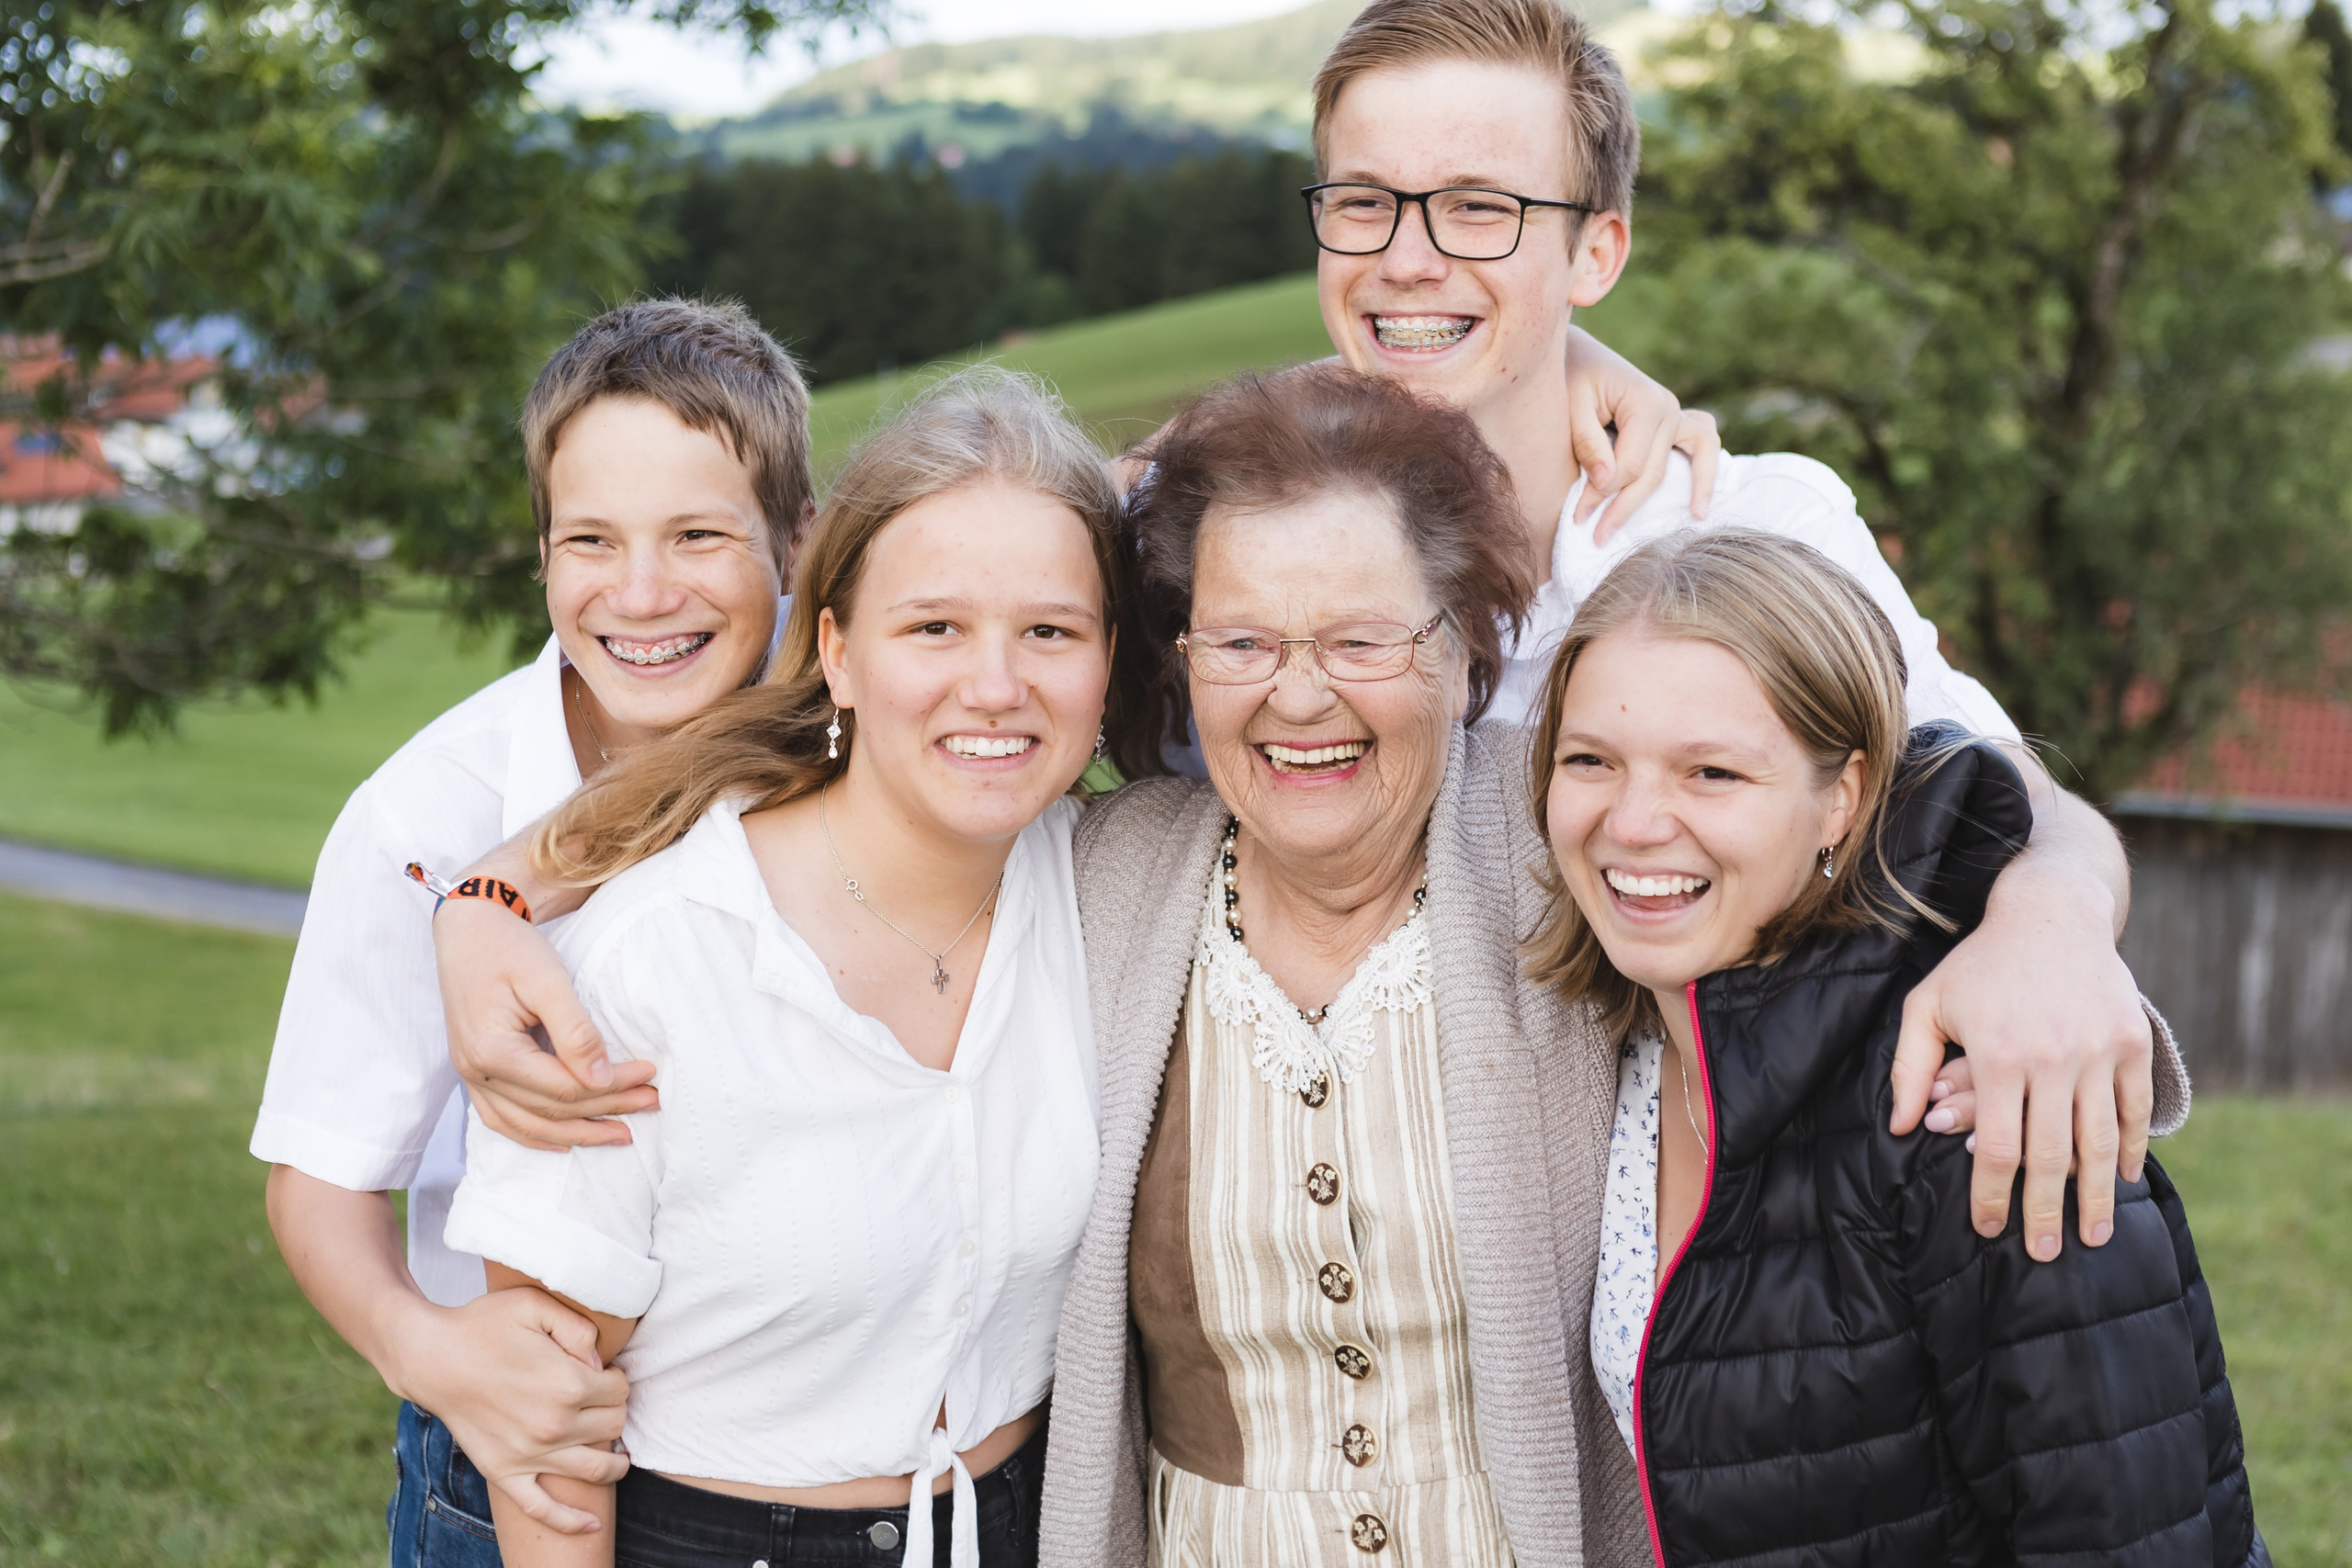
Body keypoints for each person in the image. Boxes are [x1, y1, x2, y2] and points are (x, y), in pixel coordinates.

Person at [1028, 367, 2189, 1568]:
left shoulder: (1578, 849)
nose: (1300, 692)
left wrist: (2049, 910)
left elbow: (1922, 806)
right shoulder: (1102, 880)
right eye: (1241, 640)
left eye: (1361, 638)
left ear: (1463, 644)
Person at [1296, 0, 2165, 1281]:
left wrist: (2053, 921)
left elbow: (2026, 806)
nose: (1406, 258)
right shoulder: (1243, 572)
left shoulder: (1747, 526)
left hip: (1730, 1313)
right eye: (1364, 202)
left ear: (1597, 249)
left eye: (1481, 209)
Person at [440, 367, 1149, 1568]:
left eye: (1049, 631)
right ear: (838, 650)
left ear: (1107, 658)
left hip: (1029, 1523)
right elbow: (547, 1420)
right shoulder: (653, 957)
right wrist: (478, 903)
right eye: (933, 627)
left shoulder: (1105, 891)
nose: (995, 685)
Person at [1530, 530, 2262, 1565]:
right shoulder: (1616, 1063)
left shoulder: (1978, 1103)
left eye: (1712, 771)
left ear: (1841, 796)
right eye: (1591, 760)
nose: (1635, 821)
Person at [252, 299, 812, 1561]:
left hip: (794, 1444)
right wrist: (425, 1350)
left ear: (796, 542)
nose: (642, 593)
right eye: (591, 541)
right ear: (543, 553)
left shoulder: (855, 722)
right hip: (515, 1447)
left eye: (699, 535)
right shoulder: (425, 812)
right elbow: (320, 1174)